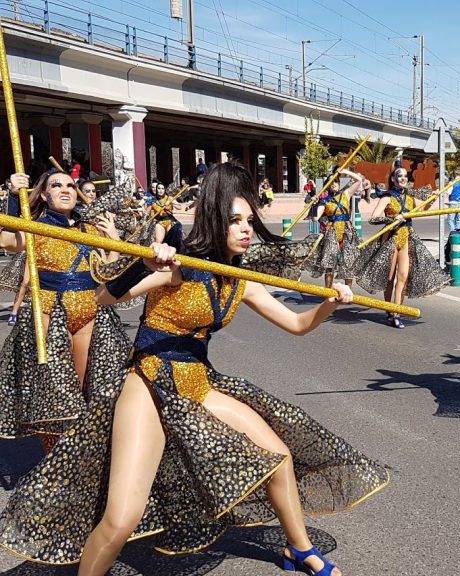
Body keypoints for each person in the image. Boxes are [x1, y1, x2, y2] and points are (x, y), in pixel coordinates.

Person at [0, 162, 388, 574]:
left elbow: (296, 324)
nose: (245, 229)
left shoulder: (240, 279)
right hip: (148, 386)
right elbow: (104, 298)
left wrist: (330, 303)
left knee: (278, 455)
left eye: (249, 220)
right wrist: (146, 266)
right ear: (215, 222)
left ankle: (300, 548)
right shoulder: (179, 267)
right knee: (122, 517)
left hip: (197, 385)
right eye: (235, 220)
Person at [0, 170, 125, 445]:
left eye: (70, 185)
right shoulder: (36, 226)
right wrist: (11, 194)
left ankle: (73, 451)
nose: (66, 189)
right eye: (57, 186)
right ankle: (52, 460)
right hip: (49, 312)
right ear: (44, 194)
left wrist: (114, 241)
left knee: (80, 389)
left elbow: (107, 274)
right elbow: (6, 240)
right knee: (56, 391)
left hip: (89, 313)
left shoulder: (90, 228)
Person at [354, 163, 450, 328]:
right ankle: (389, 309)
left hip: (407, 238)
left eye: (406, 176)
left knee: (403, 277)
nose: (404, 178)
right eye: (400, 176)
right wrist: (392, 218)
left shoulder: (411, 196)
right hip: (390, 238)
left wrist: (432, 199)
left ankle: (396, 312)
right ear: (393, 179)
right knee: (389, 279)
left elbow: (420, 211)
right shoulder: (387, 197)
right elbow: (373, 218)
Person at [304, 168, 363, 288]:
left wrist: (345, 171)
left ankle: (348, 290)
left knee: (349, 260)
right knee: (329, 261)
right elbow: (315, 218)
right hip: (332, 230)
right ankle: (328, 291)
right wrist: (314, 204)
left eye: (335, 181)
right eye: (331, 182)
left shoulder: (346, 194)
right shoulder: (324, 201)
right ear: (327, 186)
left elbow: (359, 180)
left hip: (347, 230)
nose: (334, 183)